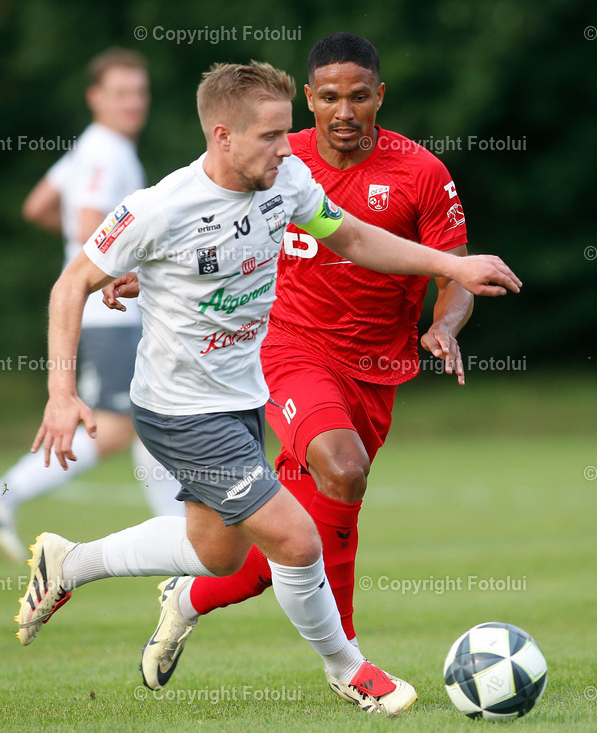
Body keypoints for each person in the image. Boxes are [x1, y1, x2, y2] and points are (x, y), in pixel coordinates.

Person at [15, 60, 520, 717]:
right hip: (179, 407)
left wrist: (453, 267)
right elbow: (70, 284)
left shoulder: (287, 184)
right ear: (223, 136)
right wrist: (61, 394)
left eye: (287, 133)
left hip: (239, 396)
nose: (289, 148)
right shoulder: (159, 207)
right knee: (297, 537)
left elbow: (360, 239)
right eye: (271, 137)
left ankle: (69, 563)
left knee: (218, 555)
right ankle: (349, 669)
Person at [121, 33, 484, 699]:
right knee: (343, 469)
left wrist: (444, 322)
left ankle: (190, 597)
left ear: (380, 96)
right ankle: (347, 665)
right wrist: (151, 278)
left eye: (359, 96)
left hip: (376, 369)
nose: (344, 110)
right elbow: (200, 227)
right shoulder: (277, 154)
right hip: (286, 350)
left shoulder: (422, 173)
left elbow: (453, 267)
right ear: (311, 99)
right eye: (329, 97)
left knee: (294, 542)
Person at [0, 48, 182, 563]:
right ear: (95, 98)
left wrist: (78, 250)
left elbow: (38, 205)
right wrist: (103, 263)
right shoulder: (109, 151)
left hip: (102, 312)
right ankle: (3, 493)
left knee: (128, 424)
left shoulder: (88, 147)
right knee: (132, 422)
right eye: (121, 93)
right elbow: (88, 224)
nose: (133, 103)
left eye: (139, 92)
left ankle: (178, 537)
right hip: (113, 313)